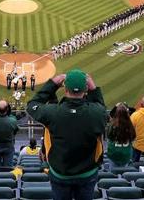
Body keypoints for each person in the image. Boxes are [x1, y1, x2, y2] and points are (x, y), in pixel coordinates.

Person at [27, 70, 106, 200]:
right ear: (86, 88)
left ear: (65, 88)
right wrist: (94, 89)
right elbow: (100, 107)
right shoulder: (97, 113)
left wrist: (53, 83)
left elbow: (32, 105)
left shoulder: (52, 112)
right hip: (87, 173)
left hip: (60, 174)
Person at [106, 103, 135, 167]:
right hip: (125, 155)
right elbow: (133, 137)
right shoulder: (130, 125)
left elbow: (108, 136)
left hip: (113, 155)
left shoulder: (112, 125)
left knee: (113, 174)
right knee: (124, 172)